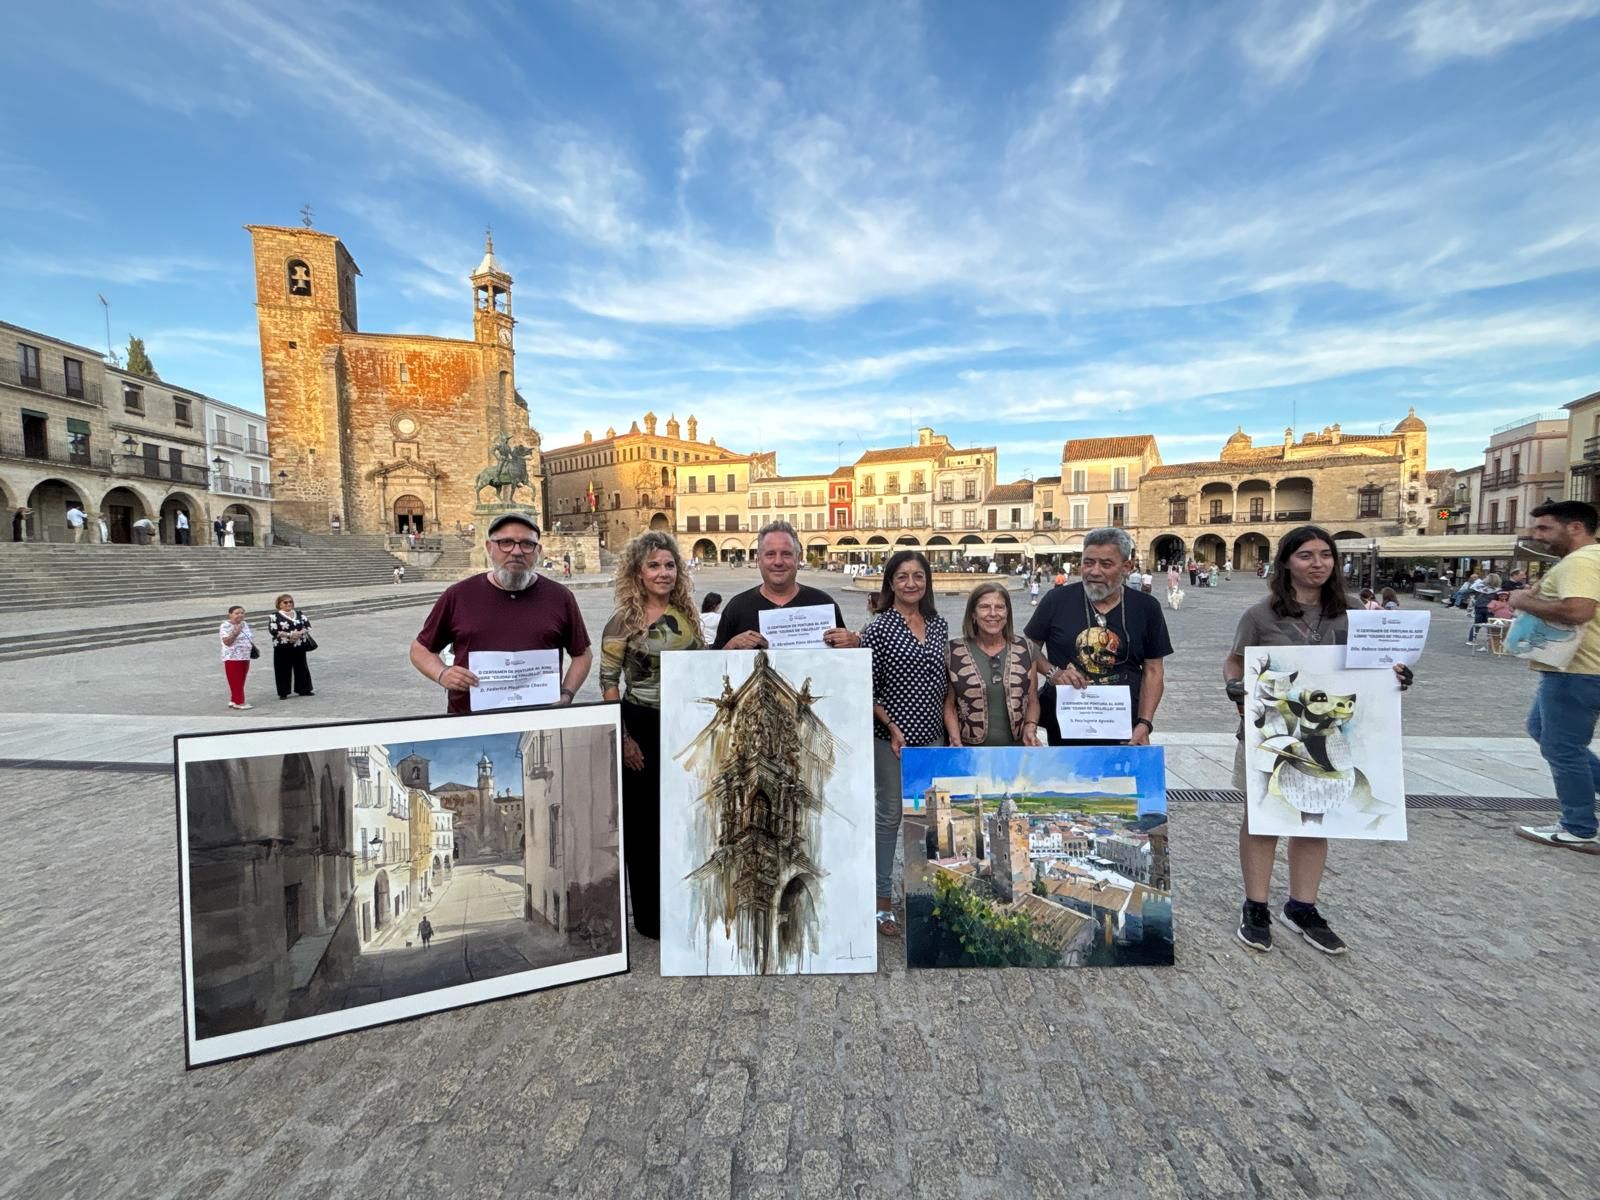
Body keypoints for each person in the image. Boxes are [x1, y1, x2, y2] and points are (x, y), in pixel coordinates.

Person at [1224, 525, 1414, 956]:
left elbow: (1375, 668)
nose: (1318, 564)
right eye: (1306, 555)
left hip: (1331, 740)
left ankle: (1302, 906)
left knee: (1317, 816)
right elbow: (1235, 662)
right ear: (1287, 562)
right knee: (1264, 815)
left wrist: (1396, 677)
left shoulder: (1353, 613)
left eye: (1325, 555)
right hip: (1270, 733)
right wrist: (1235, 686)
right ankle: (1255, 906)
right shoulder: (1260, 615)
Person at [600, 531, 704, 940]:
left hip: (685, 726)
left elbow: (703, 667)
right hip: (640, 725)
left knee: (685, 819)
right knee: (643, 825)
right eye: (654, 565)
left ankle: (685, 907)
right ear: (637, 573)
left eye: (669, 565)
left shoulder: (686, 615)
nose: (663, 573)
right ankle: (649, 918)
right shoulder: (622, 622)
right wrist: (623, 738)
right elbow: (608, 682)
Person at [409, 512, 593, 714]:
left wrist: (567, 693)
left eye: (526, 544)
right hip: (471, 721)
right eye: (505, 542)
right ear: (489, 547)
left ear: (538, 550)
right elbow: (421, 649)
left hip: (539, 720)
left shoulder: (560, 596)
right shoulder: (459, 595)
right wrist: (442, 673)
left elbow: (582, 654)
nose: (516, 551)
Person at [861, 550, 948, 937]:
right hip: (890, 738)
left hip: (932, 737)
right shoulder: (878, 628)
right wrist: (892, 727)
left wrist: (950, 735)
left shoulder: (939, 624)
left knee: (929, 819)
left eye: (917, 576)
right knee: (890, 815)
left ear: (926, 581)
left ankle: (924, 895)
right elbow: (869, 689)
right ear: (890, 583)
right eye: (902, 577)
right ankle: (882, 901)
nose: (911, 583)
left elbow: (945, 685)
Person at [1025, 527, 1172, 748]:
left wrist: (1145, 722)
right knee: (1067, 781)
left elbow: (1153, 670)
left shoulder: (1146, 607)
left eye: (1106, 564)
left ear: (1127, 567)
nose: (1094, 571)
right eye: (1088, 562)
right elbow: (1026, 648)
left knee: (1119, 781)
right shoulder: (1056, 600)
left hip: (1125, 725)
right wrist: (1052, 672)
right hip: (1067, 721)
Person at [1508, 501, 1600, 854]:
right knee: (1542, 731)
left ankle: (1578, 827)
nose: (1537, 536)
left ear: (1575, 527)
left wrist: (1522, 600)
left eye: (1545, 529)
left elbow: (1578, 611)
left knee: (1563, 748)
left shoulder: (1580, 561)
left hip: (1577, 669)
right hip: (1578, 670)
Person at [712, 521, 858, 650]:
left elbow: (845, 662)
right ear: (759, 559)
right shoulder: (736, 608)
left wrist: (855, 642)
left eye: (786, 554)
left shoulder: (824, 604)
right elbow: (712, 668)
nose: (778, 562)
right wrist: (730, 646)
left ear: (798, 558)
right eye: (770, 554)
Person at [944, 582, 1041, 748]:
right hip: (969, 751)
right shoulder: (953, 651)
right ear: (973, 614)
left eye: (1000, 607)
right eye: (984, 607)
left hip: (1016, 750)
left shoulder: (1026, 648)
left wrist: (1030, 727)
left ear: (1007, 612)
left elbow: (1032, 699)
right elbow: (949, 705)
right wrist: (954, 738)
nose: (993, 613)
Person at [269, 593, 315, 699]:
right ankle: (283, 692)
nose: (288, 604)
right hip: (282, 646)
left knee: (302, 667)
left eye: (290, 602)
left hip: (299, 644)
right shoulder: (274, 616)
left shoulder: (299, 613)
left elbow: (308, 626)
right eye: (285, 602)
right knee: (282, 669)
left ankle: (304, 689)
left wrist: (299, 633)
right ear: (279, 604)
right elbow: (273, 630)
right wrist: (290, 635)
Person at [220, 604, 255, 710]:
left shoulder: (244, 624)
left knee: (241, 679)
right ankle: (239, 702)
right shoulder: (225, 625)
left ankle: (234, 699)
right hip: (233, 657)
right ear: (230, 615)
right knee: (235, 680)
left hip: (245, 656)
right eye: (237, 613)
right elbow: (227, 642)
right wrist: (235, 632)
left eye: (242, 613)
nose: (240, 615)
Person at [1467, 573, 1502, 645]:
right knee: (1490, 625)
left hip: (1479, 607)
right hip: (1490, 608)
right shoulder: (1498, 590)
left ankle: (1471, 640)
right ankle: (1490, 641)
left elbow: (1471, 592)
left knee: (1476, 624)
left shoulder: (1481, 588)